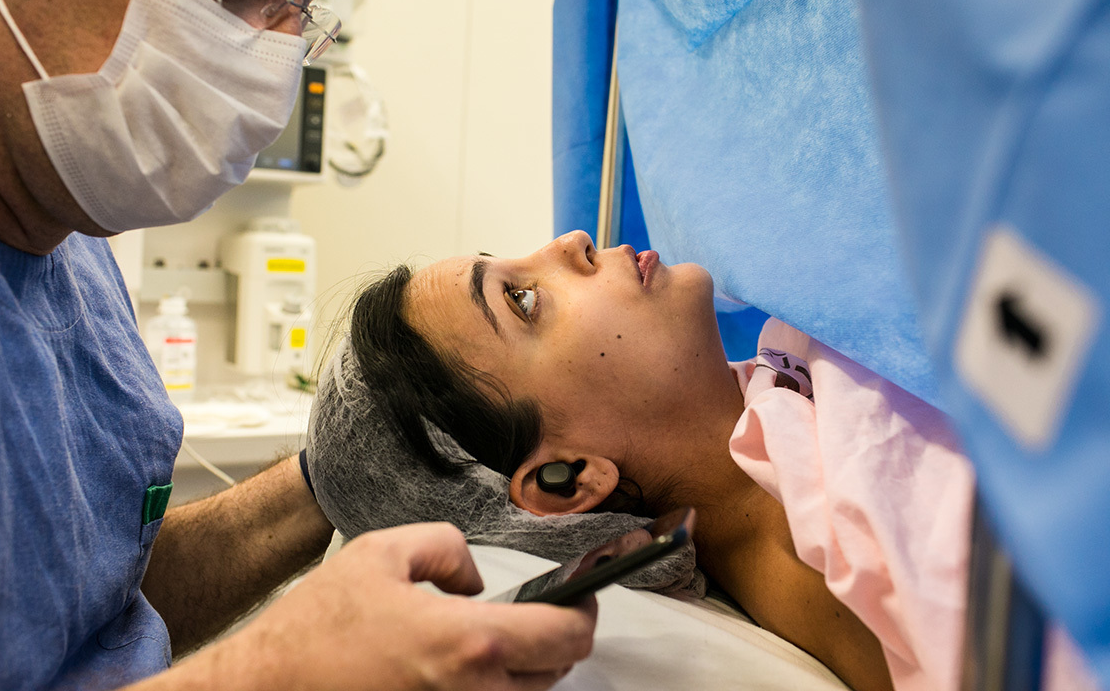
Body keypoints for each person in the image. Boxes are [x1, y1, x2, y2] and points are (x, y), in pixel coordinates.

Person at [0, 0, 595, 689]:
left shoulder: (68, 235)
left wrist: (339, 478)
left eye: (300, 7)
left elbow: (75, 606)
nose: (269, 61)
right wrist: (270, 671)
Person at [307, 230, 978, 691]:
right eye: (524, 301)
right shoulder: (856, 544)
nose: (570, 243)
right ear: (565, 480)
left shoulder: (780, 405)